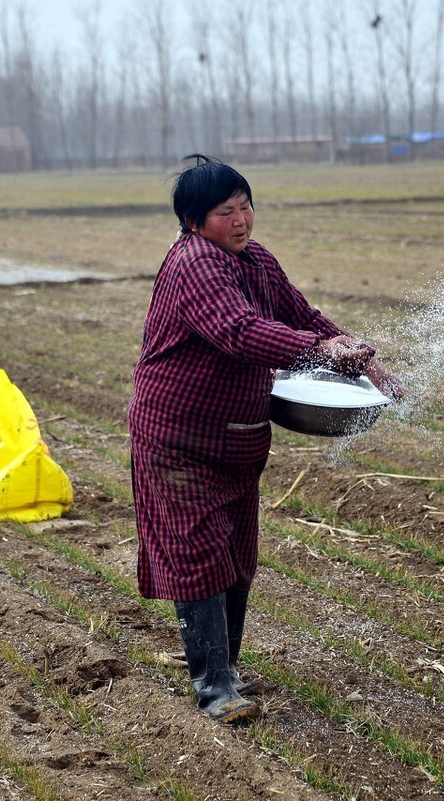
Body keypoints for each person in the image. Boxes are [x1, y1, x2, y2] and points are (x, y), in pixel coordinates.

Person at [127, 155, 405, 724]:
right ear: (193, 221)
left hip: (237, 441)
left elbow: (302, 315)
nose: (241, 219)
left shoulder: (253, 260)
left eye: (246, 205)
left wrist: (360, 355)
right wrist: (317, 352)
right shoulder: (195, 266)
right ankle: (213, 688)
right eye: (225, 211)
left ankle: (225, 667)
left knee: (234, 556)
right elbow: (240, 330)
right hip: (179, 440)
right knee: (198, 555)